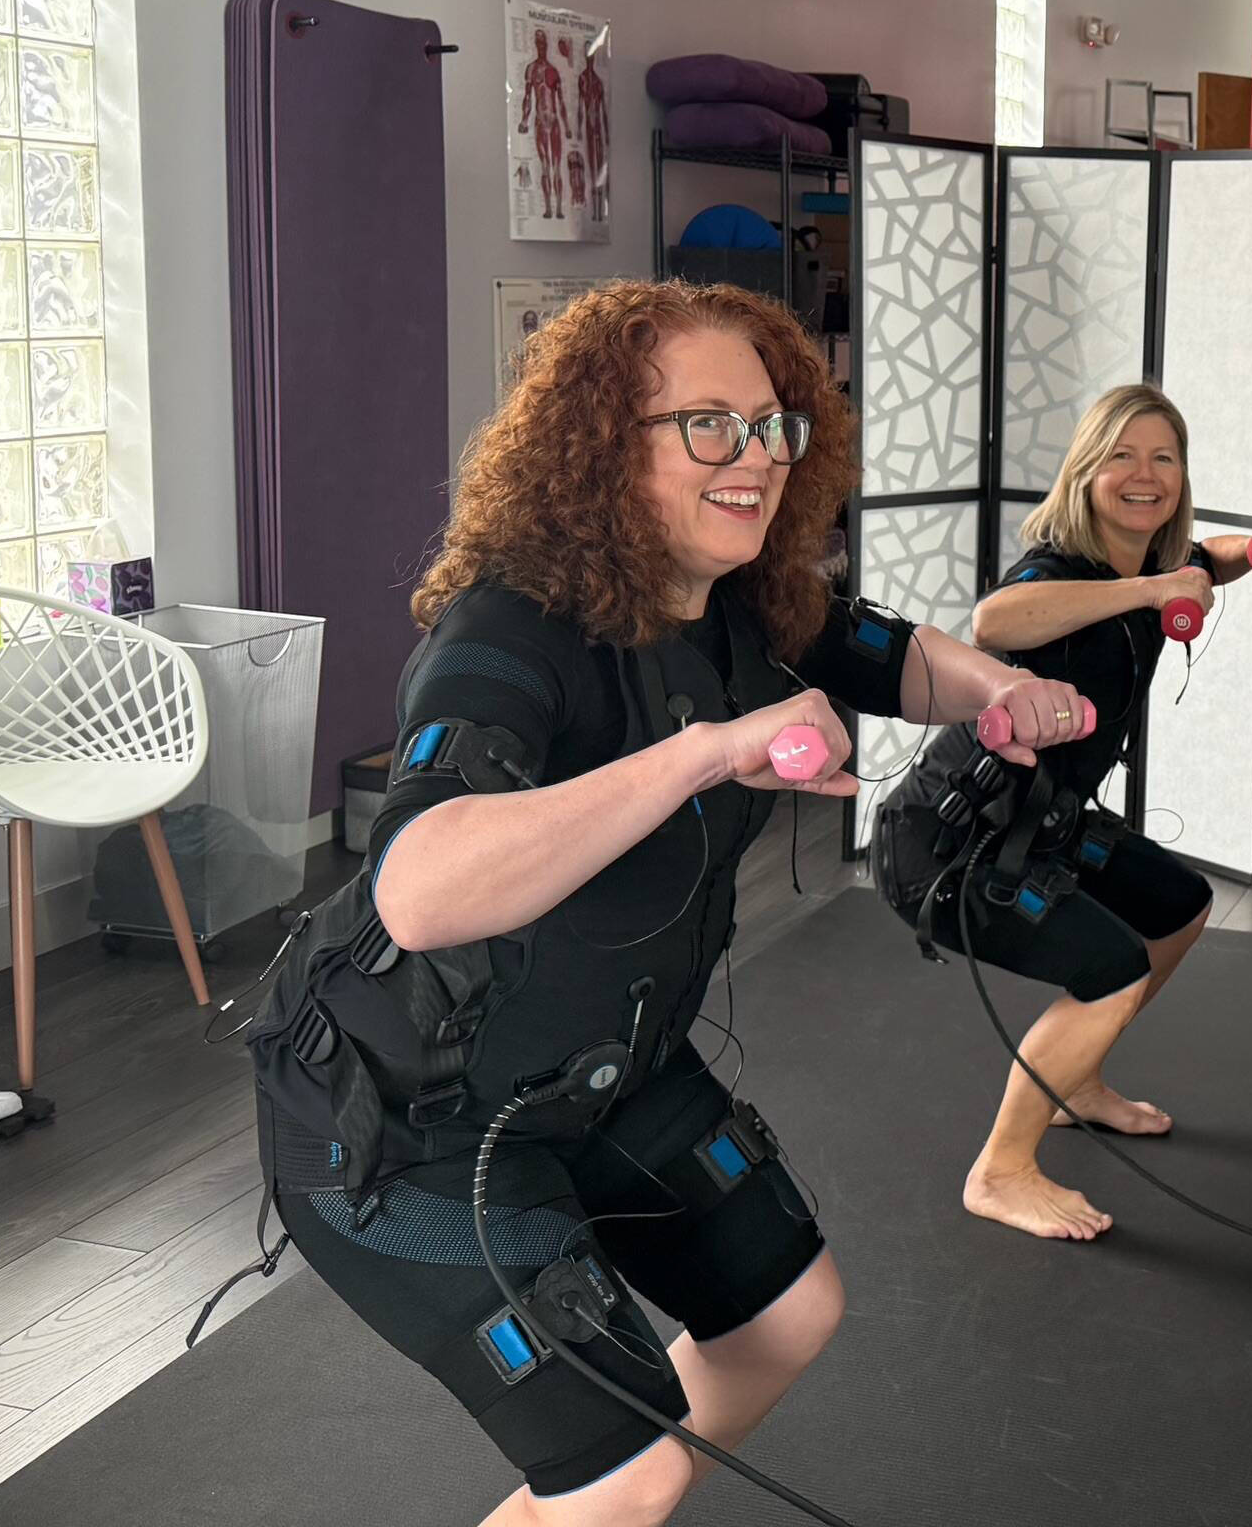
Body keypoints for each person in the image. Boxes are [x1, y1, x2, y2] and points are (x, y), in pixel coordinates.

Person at [249, 280, 1090, 1527]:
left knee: (786, 1314)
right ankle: (600, 1489)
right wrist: (707, 750)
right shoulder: (508, 631)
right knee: (630, 1473)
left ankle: (582, 1499)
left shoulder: (752, 600)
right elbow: (420, 887)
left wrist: (994, 691)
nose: (752, 458)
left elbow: (895, 654)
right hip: (398, 1113)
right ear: (598, 447)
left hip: (598, 1069)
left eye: (771, 425)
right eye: (708, 425)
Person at [876, 383, 1252, 1245]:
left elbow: (1208, 559)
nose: (1143, 474)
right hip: (951, 842)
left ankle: (1074, 1082)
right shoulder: (1059, 569)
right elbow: (995, 616)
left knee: (1179, 907)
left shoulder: (1155, 557)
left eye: (1163, 457)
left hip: (1044, 821)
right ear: (1086, 470)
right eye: (1121, 455)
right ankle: (1000, 1170)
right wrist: (1151, 589)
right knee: (1112, 969)